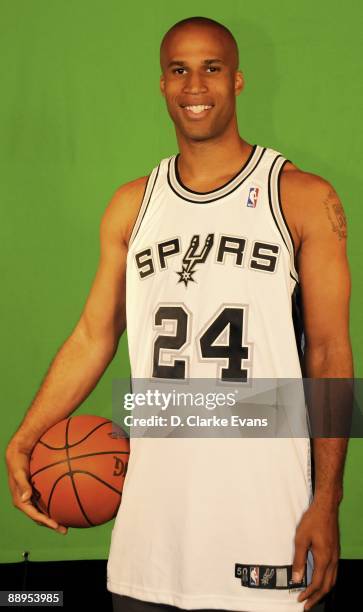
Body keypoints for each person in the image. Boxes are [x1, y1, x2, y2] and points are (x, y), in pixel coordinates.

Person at [5, 15, 353, 612]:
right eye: (180, 70)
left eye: (211, 68)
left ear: (237, 80)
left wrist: (326, 503)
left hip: (268, 519)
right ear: (163, 85)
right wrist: (26, 436)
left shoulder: (301, 197)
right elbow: (94, 334)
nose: (196, 85)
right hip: (150, 536)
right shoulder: (131, 206)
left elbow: (329, 353)